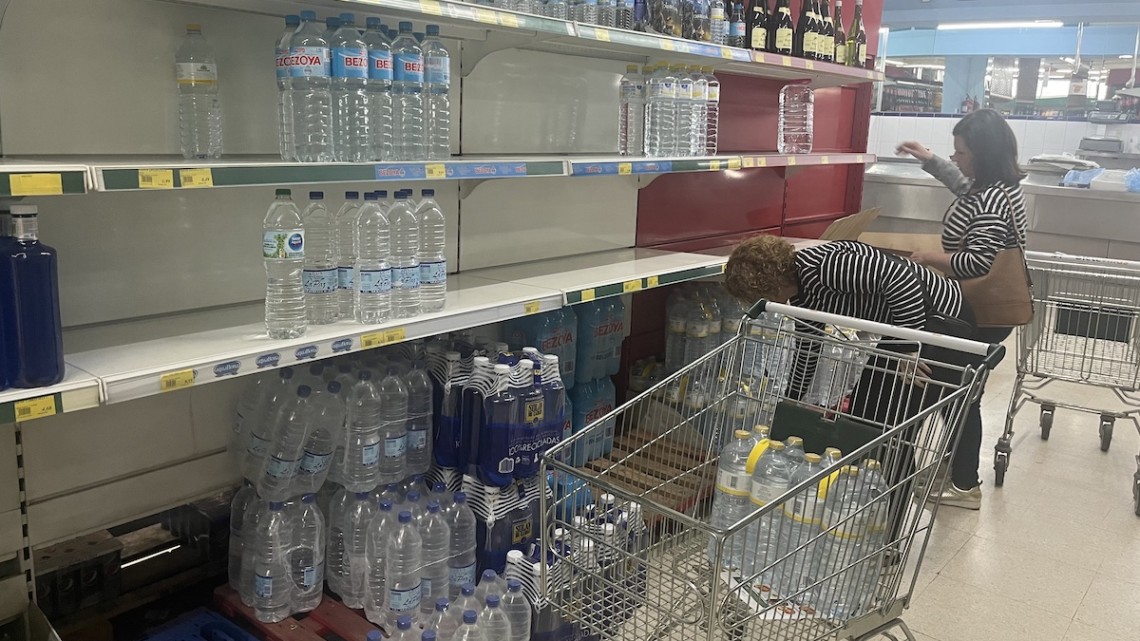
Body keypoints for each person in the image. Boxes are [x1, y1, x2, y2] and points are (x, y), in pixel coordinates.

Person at [724, 236, 984, 539]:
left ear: (769, 284)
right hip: (906, 327)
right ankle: (887, 515)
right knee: (868, 416)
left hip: (941, 325)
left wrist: (910, 348)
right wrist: (792, 399)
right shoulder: (804, 291)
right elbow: (809, 343)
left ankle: (886, 538)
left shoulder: (825, 266)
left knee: (887, 427)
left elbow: (903, 279)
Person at [896, 107, 1027, 510]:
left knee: (957, 393)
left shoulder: (991, 199)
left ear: (983, 156)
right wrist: (930, 159)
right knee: (958, 390)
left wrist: (929, 257)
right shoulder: (995, 187)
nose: (956, 159)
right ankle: (958, 467)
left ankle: (965, 483)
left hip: (981, 314)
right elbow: (963, 186)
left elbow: (978, 264)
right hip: (985, 313)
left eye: (961, 152)